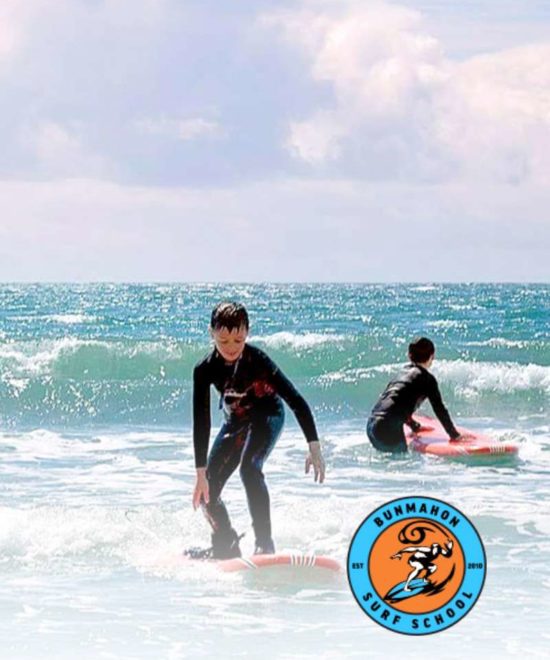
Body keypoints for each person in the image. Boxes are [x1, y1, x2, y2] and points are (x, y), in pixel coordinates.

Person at [189, 302, 325, 560]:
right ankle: (225, 545)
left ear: (247, 333)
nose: (231, 348)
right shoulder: (204, 369)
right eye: (223, 340)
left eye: (238, 340)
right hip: (235, 422)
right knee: (208, 490)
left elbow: (296, 400)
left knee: (250, 468)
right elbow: (202, 421)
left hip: (267, 416)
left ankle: (264, 544)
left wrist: (314, 447)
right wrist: (200, 473)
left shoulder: (258, 361)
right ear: (211, 333)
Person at [366, 337, 470, 453]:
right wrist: (454, 435)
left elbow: (395, 403)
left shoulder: (401, 373)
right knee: (401, 466)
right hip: (388, 427)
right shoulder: (427, 379)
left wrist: (414, 426)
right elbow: (439, 409)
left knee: (388, 465)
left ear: (409, 355)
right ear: (432, 356)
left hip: (372, 425)